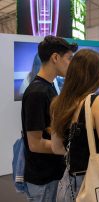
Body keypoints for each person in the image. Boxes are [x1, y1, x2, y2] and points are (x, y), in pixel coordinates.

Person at [50, 49, 99, 201]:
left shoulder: (58, 103)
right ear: (95, 76)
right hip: (93, 183)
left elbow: (56, 148)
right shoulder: (97, 103)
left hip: (67, 184)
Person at [21, 35, 78, 201]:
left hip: (51, 174)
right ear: (55, 57)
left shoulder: (48, 88)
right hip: (43, 179)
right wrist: (67, 148)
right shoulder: (37, 92)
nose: (71, 64)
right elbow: (35, 143)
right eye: (69, 58)